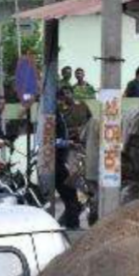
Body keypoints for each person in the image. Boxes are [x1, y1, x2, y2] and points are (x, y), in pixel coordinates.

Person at [55, 88, 82, 230]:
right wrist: (67, 143)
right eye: (60, 99)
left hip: (61, 161)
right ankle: (72, 226)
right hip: (57, 163)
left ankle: (68, 223)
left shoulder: (59, 114)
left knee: (70, 196)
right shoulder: (52, 116)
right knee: (71, 196)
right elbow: (50, 141)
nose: (62, 102)